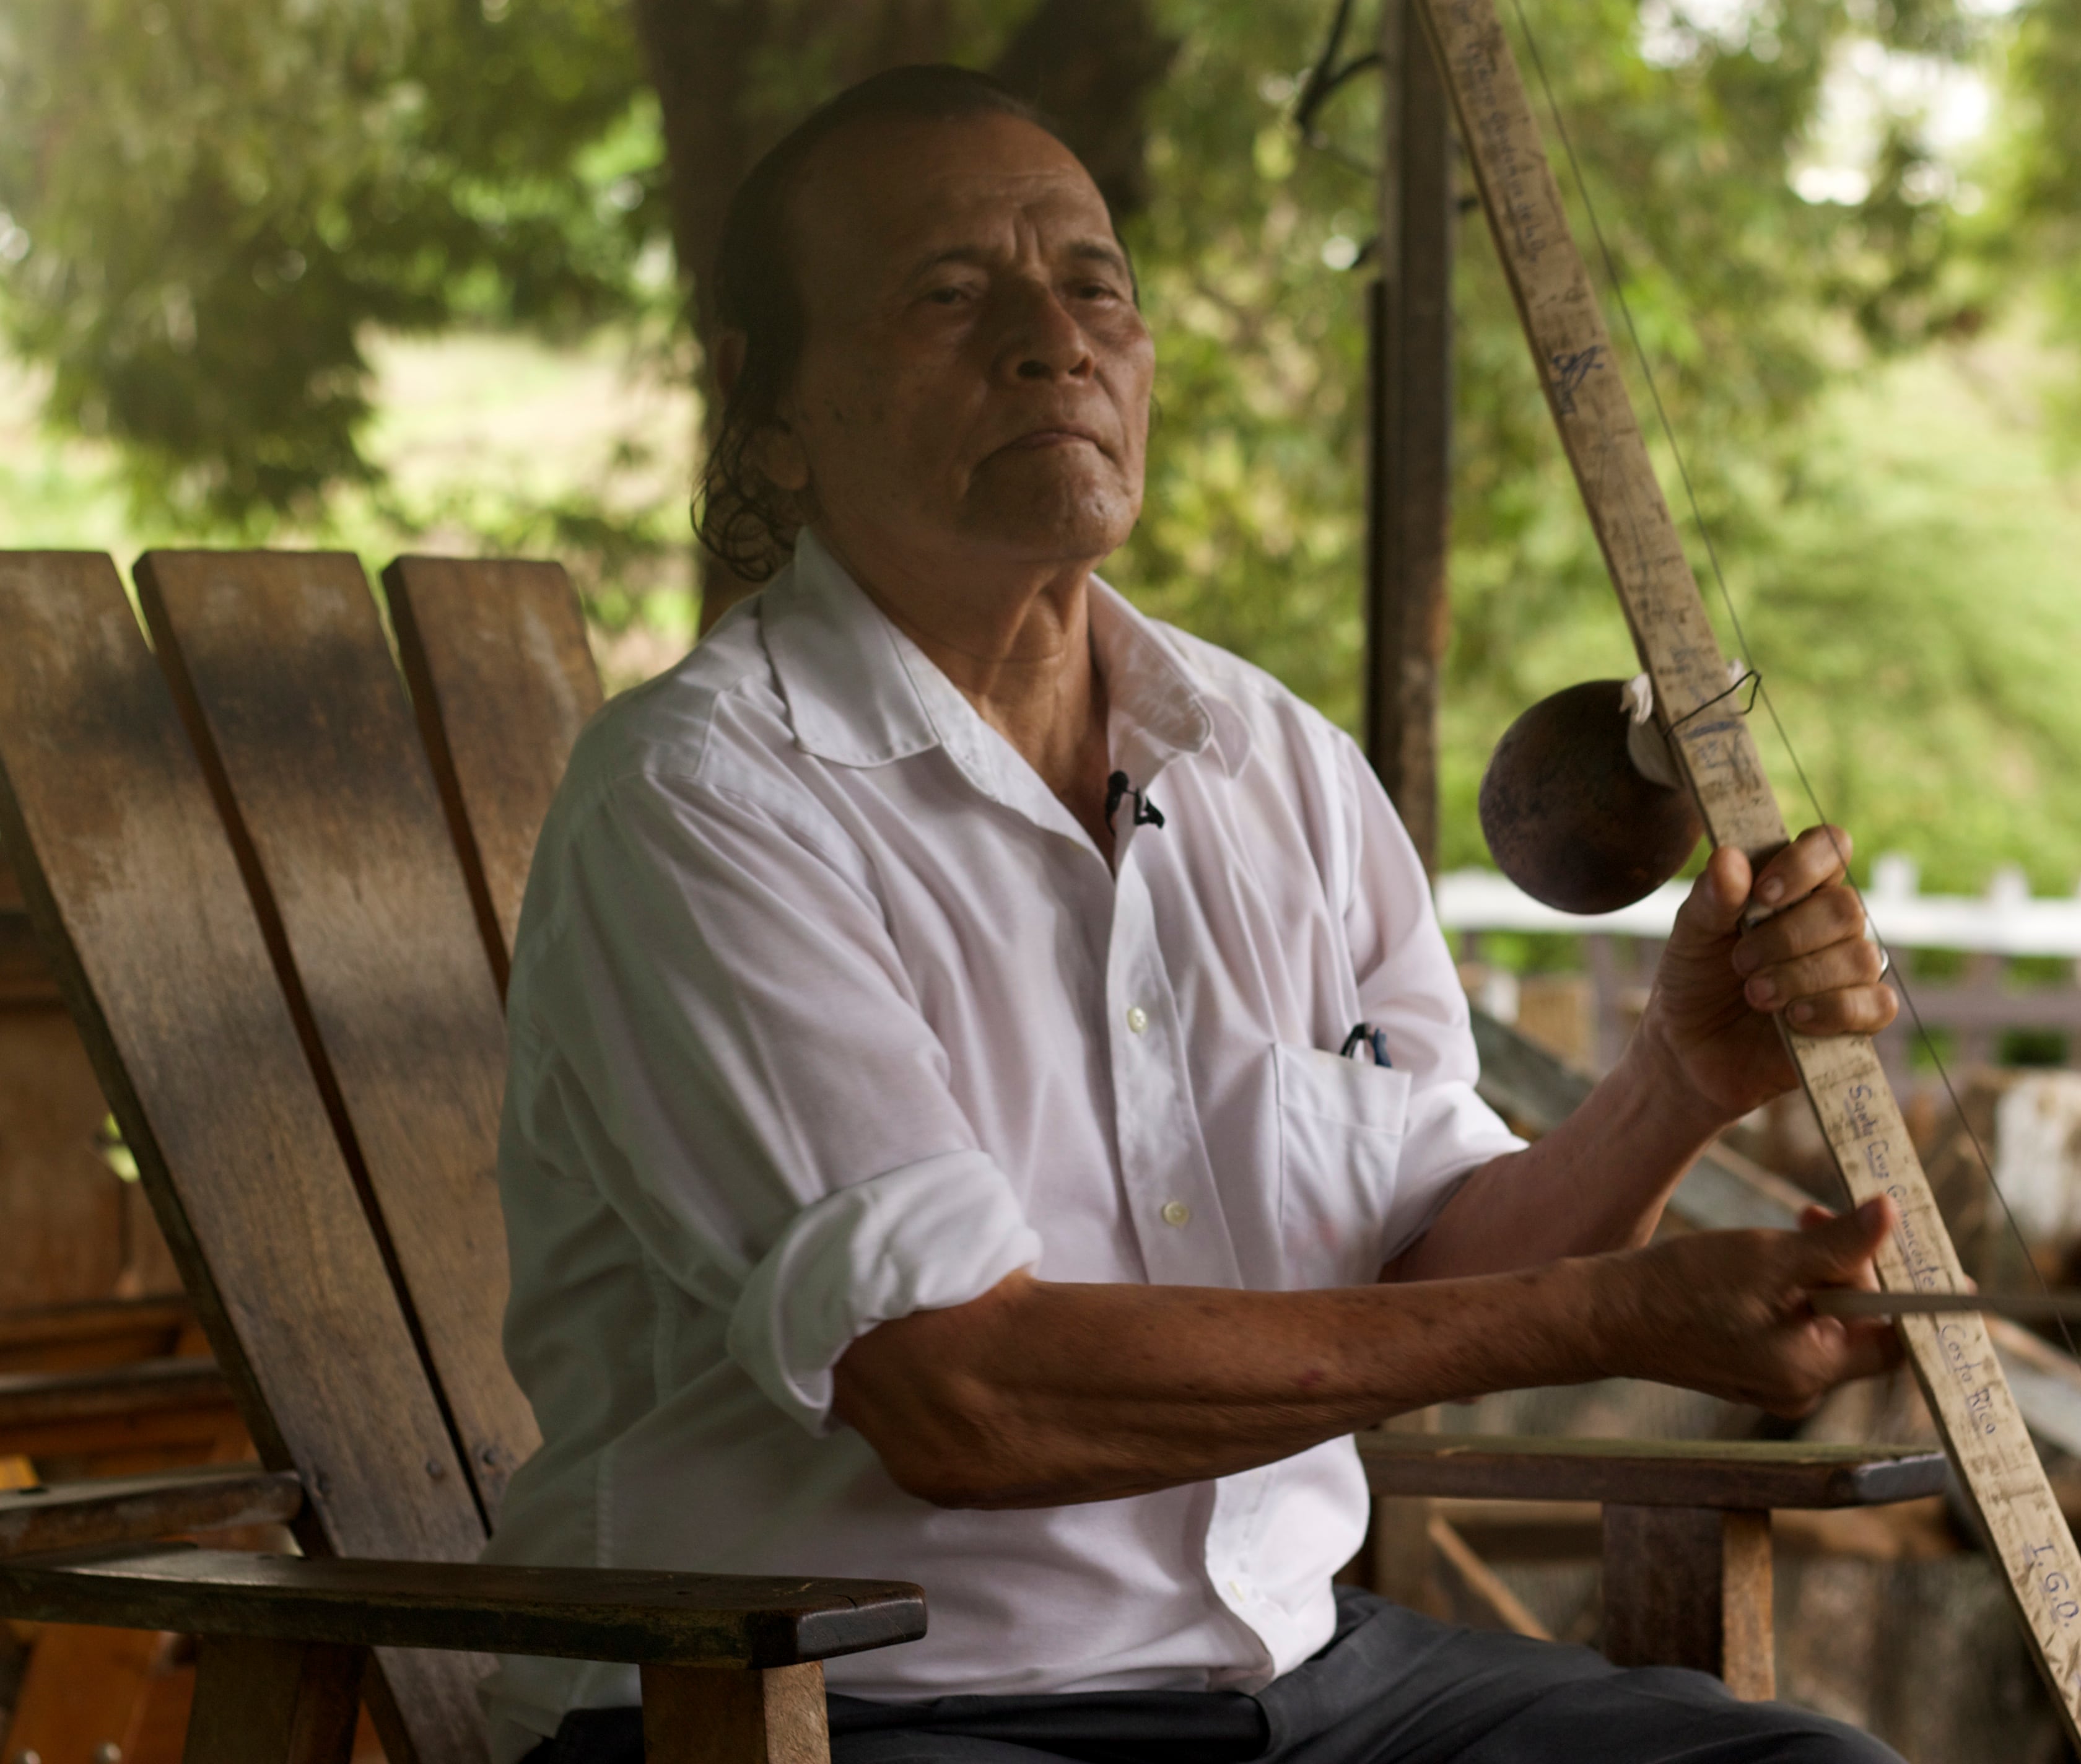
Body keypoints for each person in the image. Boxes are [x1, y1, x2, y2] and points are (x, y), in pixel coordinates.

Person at [482, 63, 1908, 1764]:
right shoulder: (705, 797)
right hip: (841, 1708)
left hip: (1301, 1688)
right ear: (769, 404)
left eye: (1096, 290)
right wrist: (1613, 1317)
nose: (1055, 344)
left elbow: (1439, 1258)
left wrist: (1675, 1085)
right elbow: (961, 1395)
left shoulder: (1277, 765)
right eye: (950, 295)